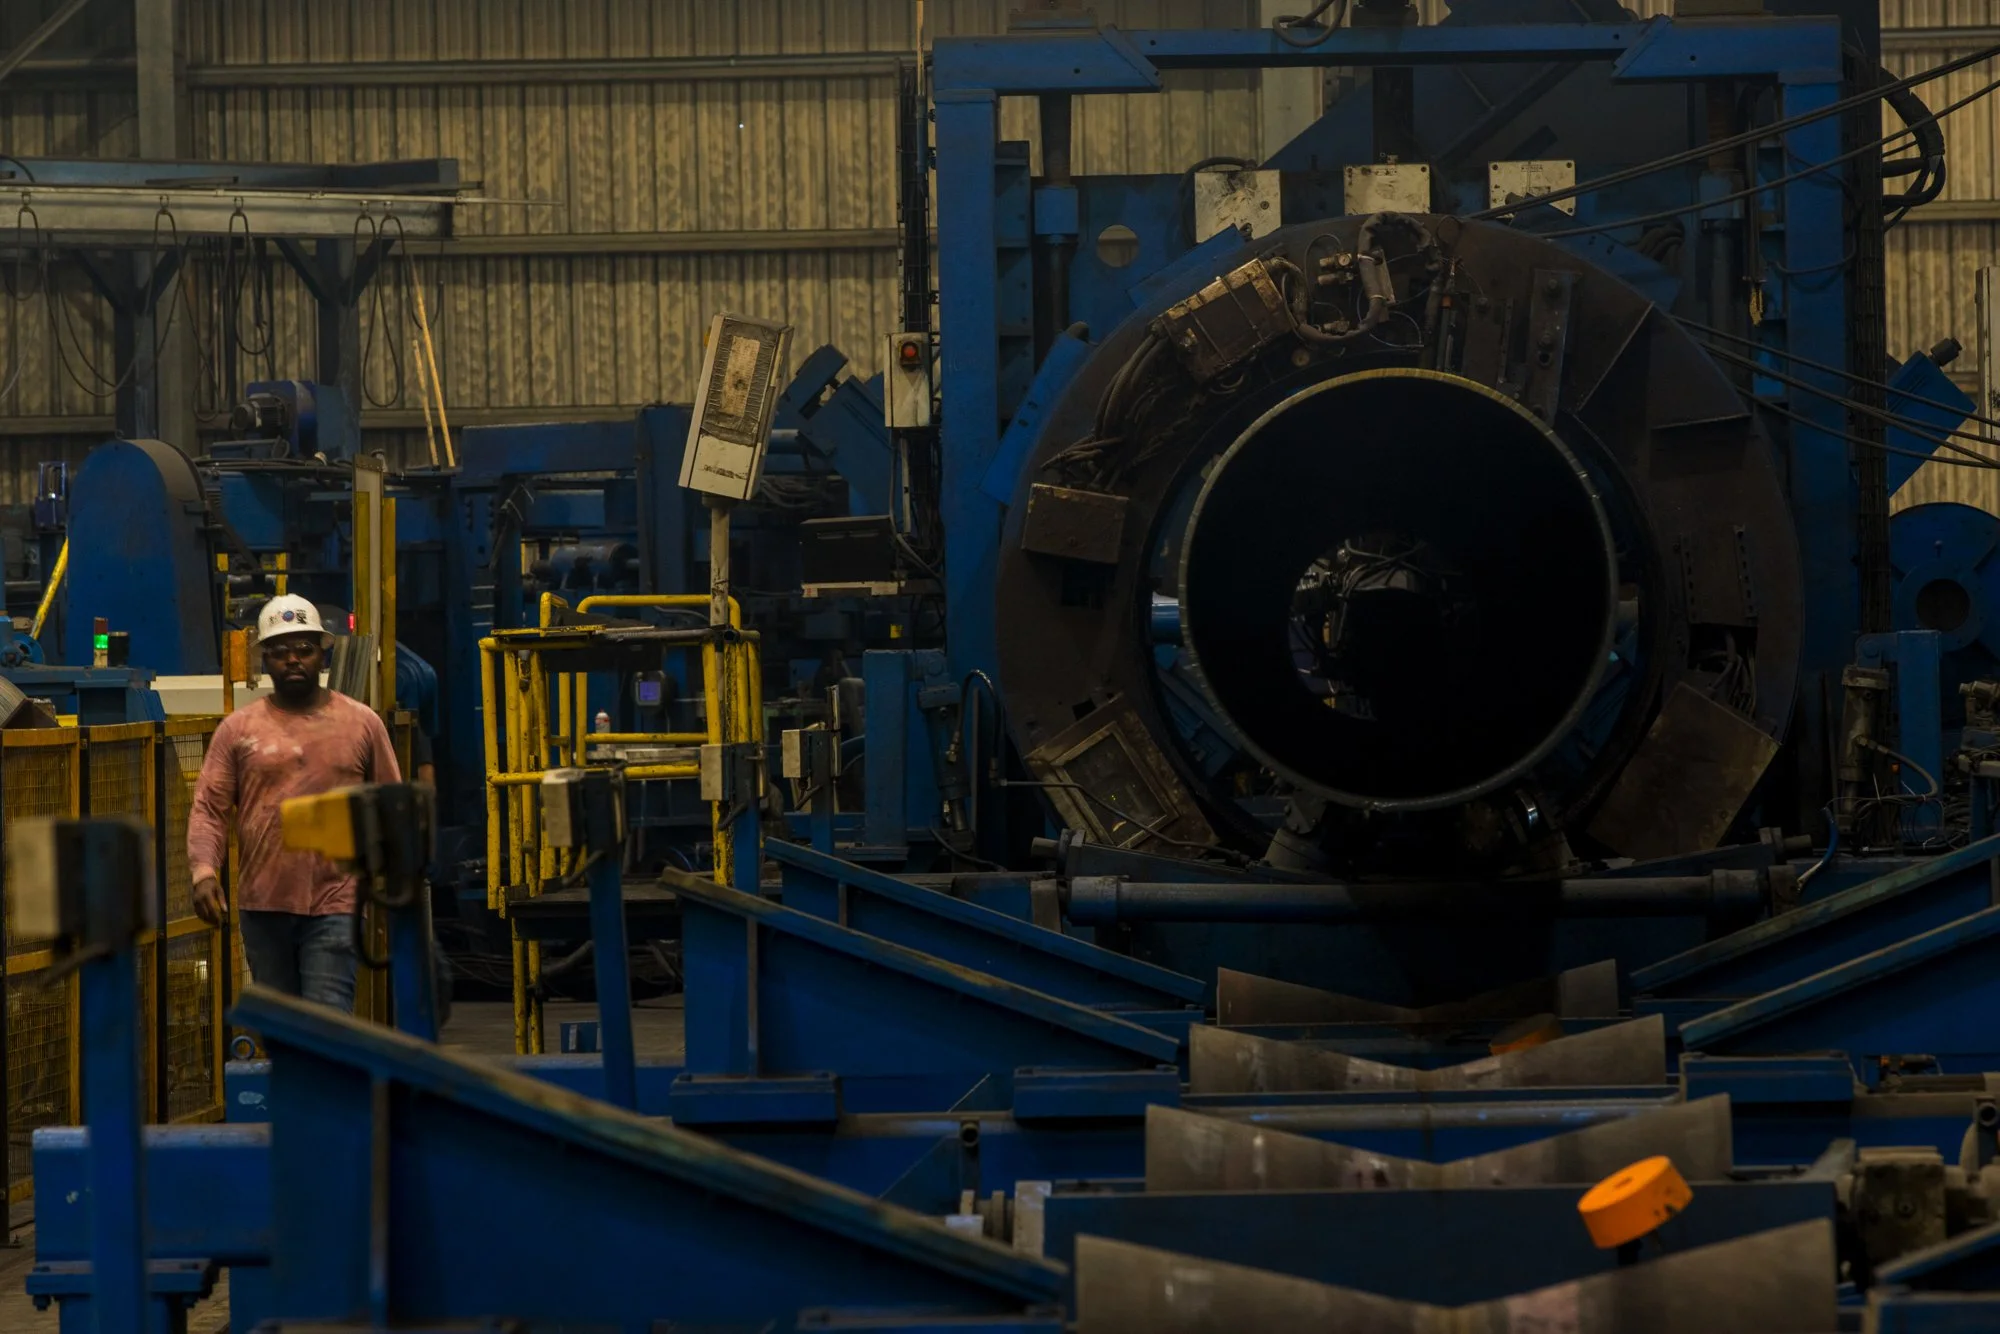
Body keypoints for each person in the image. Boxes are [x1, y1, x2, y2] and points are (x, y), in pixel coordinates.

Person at [188, 594, 401, 1010]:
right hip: (264, 904)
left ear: (324, 655)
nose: (292, 660)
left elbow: (391, 805)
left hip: (337, 902)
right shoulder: (238, 731)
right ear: (264, 660)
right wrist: (203, 872)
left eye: (304, 649)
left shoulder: (361, 724)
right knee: (281, 1032)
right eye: (280, 651)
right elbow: (210, 808)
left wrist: (391, 887)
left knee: (325, 1026)